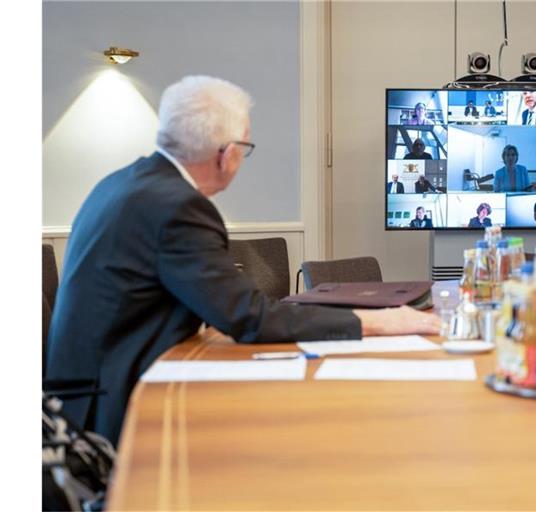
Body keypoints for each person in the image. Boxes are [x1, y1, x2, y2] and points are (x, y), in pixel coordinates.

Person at [45, 76, 440, 447]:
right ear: (227, 154)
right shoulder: (177, 206)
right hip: (113, 411)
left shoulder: (128, 182)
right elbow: (248, 318)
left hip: (84, 396)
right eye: (245, 149)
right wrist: (379, 321)